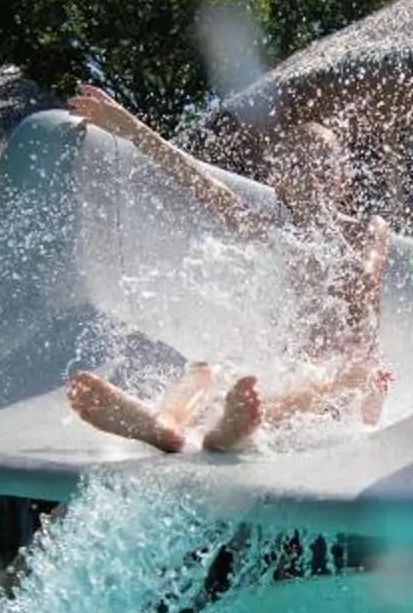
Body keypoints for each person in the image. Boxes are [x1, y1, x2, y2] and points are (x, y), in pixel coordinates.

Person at [59, 84, 392, 453]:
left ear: (343, 178)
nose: (311, 174)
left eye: (322, 163)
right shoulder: (271, 234)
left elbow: (362, 282)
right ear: (279, 182)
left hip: (353, 386)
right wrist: (132, 128)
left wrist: (318, 214)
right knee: (207, 370)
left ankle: (229, 427)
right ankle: (166, 422)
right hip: (291, 377)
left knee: (339, 381)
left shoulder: (367, 230)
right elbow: (200, 181)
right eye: (298, 165)